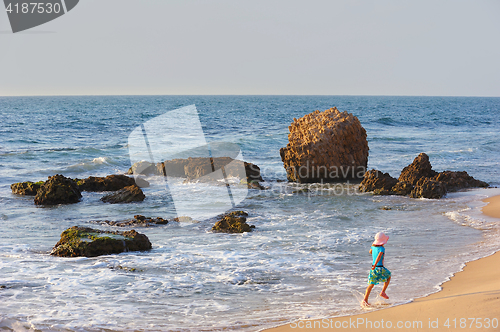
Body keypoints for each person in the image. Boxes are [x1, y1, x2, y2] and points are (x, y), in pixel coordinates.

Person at [362, 232, 391, 306]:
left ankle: (365, 300)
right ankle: (383, 292)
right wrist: (375, 264)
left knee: (371, 284)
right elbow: (378, 257)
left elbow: (370, 252)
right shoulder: (382, 248)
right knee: (388, 276)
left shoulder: (373, 247)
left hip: (373, 268)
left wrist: (374, 265)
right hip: (379, 267)